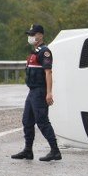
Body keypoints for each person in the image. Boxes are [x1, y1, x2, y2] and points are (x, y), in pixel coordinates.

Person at [11, 24, 62, 161]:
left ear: (40, 35)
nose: (30, 37)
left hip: (40, 91)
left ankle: (55, 151)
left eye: (33, 34)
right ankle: (28, 150)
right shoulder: (34, 52)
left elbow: (48, 72)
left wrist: (49, 92)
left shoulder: (44, 52)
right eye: (29, 34)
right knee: (27, 121)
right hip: (32, 92)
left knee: (42, 121)